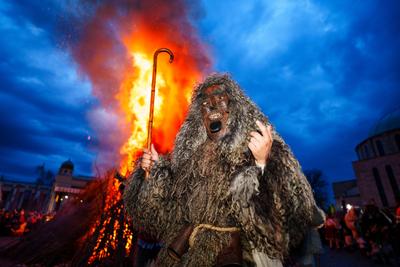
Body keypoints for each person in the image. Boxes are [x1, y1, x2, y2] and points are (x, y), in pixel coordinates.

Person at [124, 73, 324, 266]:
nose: (212, 105)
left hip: (248, 255)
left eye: (220, 99)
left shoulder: (261, 144)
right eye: (204, 103)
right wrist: (156, 175)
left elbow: (287, 221)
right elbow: (159, 219)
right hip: (191, 254)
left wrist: (262, 165)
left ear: (234, 107)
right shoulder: (189, 160)